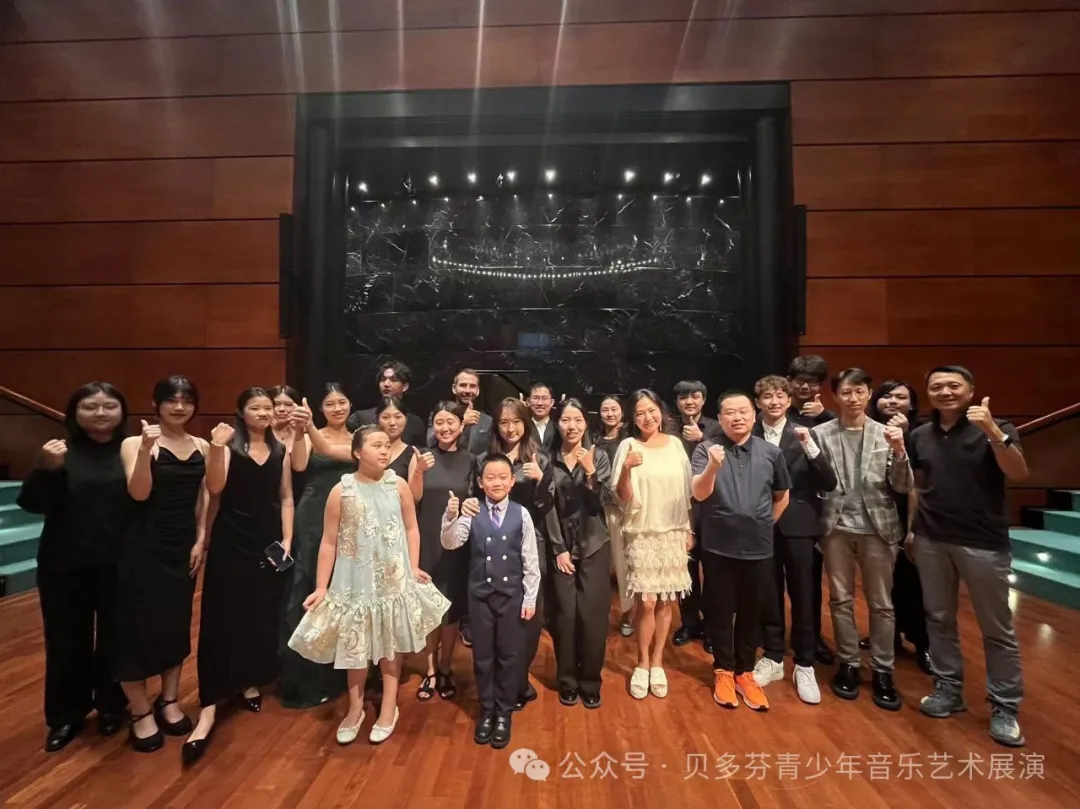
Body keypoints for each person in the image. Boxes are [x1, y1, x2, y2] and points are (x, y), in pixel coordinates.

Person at [288, 426, 449, 745]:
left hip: (392, 578)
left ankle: (389, 706)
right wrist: (321, 587)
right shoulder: (342, 490)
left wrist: (413, 565)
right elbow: (329, 541)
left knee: (390, 646)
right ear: (357, 452)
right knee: (354, 648)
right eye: (376, 445)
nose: (384, 450)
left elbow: (411, 528)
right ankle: (355, 708)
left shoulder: (397, 484)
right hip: (353, 581)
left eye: (386, 445)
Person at [908, 366, 1029, 748]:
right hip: (931, 538)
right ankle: (948, 688)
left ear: (971, 390)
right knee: (938, 618)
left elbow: (1019, 472)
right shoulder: (920, 435)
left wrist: (992, 432)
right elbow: (918, 485)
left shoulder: (997, 427)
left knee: (996, 627)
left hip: (983, 542)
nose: (945, 392)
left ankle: (1005, 706)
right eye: (937, 386)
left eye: (953, 385)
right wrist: (912, 529)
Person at [182, 388, 295, 764]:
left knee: (260, 614)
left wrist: (287, 539)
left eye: (267, 407)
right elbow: (214, 489)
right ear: (241, 412)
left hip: (269, 541)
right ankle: (211, 701)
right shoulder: (229, 446)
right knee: (221, 616)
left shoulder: (279, 449)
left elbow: (285, 497)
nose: (263, 413)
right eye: (255, 408)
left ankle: (248, 680)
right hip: (232, 540)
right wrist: (216, 447)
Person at [17, 382, 130, 753]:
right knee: (66, 642)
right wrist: (47, 470)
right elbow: (31, 504)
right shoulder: (60, 452)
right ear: (74, 413)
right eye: (90, 406)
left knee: (116, 639)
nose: (100, 413)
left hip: (119, 563)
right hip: (65, 564)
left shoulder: (132, 450)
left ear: (122, 412)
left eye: (109, 406)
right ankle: (66, 715)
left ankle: (113, 705)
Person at [114, 376, 209, 752]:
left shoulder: (201, 445)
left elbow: (204, 498)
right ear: (156, 404)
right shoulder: (134, 443)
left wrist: (201, 539)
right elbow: (138, 493)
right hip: (142, 545)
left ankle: (168, 699)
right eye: (171, 400)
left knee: (175, 623)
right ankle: (139, 711)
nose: (179, 407)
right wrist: (145, 450)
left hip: (182, 546)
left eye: (187, 400)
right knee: (134, 628)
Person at [815, 369, 912, 710]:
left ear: (869, 394)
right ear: (835, 396)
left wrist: (899, 452)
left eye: (859, 391)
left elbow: (902, 485)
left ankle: (883, 669)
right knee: (840, 599)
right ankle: (849, 663)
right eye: (846, 392)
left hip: (878, 528)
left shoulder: (886, 433)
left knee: (881, 603)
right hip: (835, 528)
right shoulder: (819, 434)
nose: (853, 398)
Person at [691, 391, 790, 712]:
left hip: (759, 548)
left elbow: (782, 496)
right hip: (718, 547)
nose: (737, 417)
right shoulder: (707, 449)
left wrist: (763, 525)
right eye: (730, 413)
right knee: (720, 611)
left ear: (753, 415)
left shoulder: (771, 452)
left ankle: (744, 672)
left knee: (751, 612)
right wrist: (713, 466)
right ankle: (723, 669)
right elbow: (699, 494)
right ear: (719, 418)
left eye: (743, 411)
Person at [440, 455, 540, 749]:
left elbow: (530, 560)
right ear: (481, 483)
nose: (497, 482)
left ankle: (504, 712)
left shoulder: (522, 514)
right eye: (490, 477)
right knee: (483, 656)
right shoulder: (472, 510)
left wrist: (530, 597)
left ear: (512, 481)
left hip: (512, 597)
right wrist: (450, 516)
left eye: (502, 477)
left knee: (508, 655)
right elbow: (451, 542)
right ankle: (487, 710)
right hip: (480, 597)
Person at [470, 397, 561, 710]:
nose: (510, 428)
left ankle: (518, 680)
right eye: (504, 422)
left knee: (529, 618)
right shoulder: (484, 459)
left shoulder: (538, 458)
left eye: (516, 421)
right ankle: (497, 685)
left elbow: (548, 506)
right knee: (494, 623)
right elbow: (475, 502)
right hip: (493, 548)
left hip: (530, 544)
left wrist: (540, 481)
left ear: (526, 423)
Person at [750, 375, 836, 705]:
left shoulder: (806, 431)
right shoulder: (749, 433)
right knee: (767, 591)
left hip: (799, 524)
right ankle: (772, 655)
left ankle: (805, 662)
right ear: (758, 402)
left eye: (779, 396)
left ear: (789, 401)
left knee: (804, 594)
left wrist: (810, 447)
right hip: (760, 524)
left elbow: (828, 481)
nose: (773, 402)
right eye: (767, 397)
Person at [611, 389, 693, 700]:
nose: (647, 417)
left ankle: (658, 662)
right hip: (641, 532)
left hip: (672, 531)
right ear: (633, 419)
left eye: (651, 410)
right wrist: (627, 469)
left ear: (661, 411)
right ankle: (642, 662)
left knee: (666, 601)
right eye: (640, 413)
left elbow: (687, 491)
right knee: (645, 601)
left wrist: (688, 529)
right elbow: (622, 497)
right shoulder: (628, 446)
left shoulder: (675, 445)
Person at [277, 384, 353, 709]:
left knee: (342, 592)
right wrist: (301, 430)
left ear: (350, 404)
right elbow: (298, 465)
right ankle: (305, 676)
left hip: (350, 518)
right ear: (320, 409)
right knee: (309, 590)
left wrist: (308, 427)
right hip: (313, 518)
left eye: (342, 401)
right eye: (329, 404)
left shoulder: (359, 438)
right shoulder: (309, 436)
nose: (337, 408)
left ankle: (341, 673)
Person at [859, 380, 931, 675]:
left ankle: (924, 643)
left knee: (916, 582)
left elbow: (917, 483)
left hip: (912, 516)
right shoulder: (868, 429)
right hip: (878, 515)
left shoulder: (921, 433)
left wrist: (913, 527)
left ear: (912, 404)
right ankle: (889, 638)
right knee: (883, 584)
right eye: (886, 396)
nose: (892, 401)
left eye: (900, 397)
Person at [549, 398, 613, 708]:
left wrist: (590, 475)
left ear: (585, 423)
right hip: (560, 547)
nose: (571, 426)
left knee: (592, 616)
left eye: (577, 420)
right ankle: (567, 681)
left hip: (594, 545)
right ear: (557, 423)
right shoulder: (547, 457)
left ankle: (590, 681)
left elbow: (605, 501)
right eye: (565, 420)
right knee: (565, 616)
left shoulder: (598, 456)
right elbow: (546, 506)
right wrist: (558, 548)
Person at [414, 401, 473, 702]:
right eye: (439, 422)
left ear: (462, 426)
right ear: (432, 425)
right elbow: (412, 499)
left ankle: (446, 666)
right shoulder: (422, 457)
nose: (445, 428)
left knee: (450, 609)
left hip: (455, 543)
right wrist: (418, 472)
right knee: (429, 609)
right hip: (426, 541)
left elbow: (475, 501)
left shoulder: (471, 460)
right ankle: (430, 670)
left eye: (451, 422)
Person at [787, 354, 838, 666]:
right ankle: (771, 635)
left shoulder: (829, 419)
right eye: (800, 381)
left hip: (811, 511)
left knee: (807, 585)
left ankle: (810, 637)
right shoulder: (776, 414)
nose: (805, 387)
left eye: (813, 382)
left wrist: (824, 417)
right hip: (773, 509)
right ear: (790, 382)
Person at [672, 380, 721, 654]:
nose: (689, 401)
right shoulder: (669, 429)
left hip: (712, 509)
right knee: (686, 571)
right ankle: (689, 623)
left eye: (695, 396)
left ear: (703, 399)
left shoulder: (717, 427)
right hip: (679, 508)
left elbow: (728, 459)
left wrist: (702, 439)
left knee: (713, 572)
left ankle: (713, 627)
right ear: (677, 402)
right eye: (683, 397)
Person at [593, 395, 634, 637]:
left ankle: (628, 615)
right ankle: (599, 615)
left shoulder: (630, 440)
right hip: (597, 508)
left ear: (622, 412)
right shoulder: (594, 440)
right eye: (605, 410)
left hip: (622, 508)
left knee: (624, 565)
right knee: (600, 565)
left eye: (614, 409)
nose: (609, 414)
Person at [346, 360, 427, 446]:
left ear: (405, 386)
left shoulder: (415, 423)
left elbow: (420, 450)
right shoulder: (360, 417)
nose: (386, 384)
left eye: (393, 380)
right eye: (383, 380)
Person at [527, 382, 560, 455]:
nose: (540, 403)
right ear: (528, 402)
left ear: (552, 402)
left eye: (544, 398)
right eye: (535, 398)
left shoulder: (559, 428)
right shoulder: (523, 427)